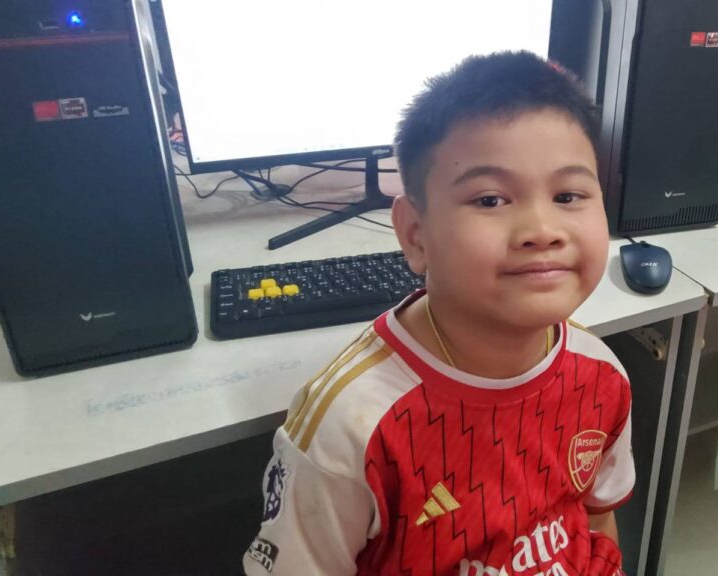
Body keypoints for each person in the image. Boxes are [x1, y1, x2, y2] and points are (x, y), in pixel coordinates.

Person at [244, 51, 634, 576]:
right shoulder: (351, 427)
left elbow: (596, 521)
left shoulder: (601, 373)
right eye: (490, 200)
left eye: (568, 195)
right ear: (415, 234)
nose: (542, 230)